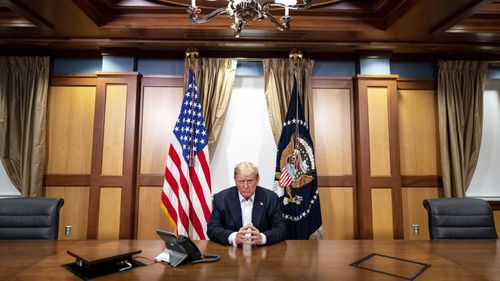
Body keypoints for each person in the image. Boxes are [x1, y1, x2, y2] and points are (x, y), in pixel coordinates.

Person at [207, 162, 286, 246]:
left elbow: (281, 230)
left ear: (257, 180)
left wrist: (262, 238)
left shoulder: (270, 198)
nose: (245, 186)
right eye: (241, 181)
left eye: (249, 181)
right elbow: (212, 229)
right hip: (232, 252)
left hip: (262, 252)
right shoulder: (221, 199)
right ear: (235, 180)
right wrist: (234, 237)